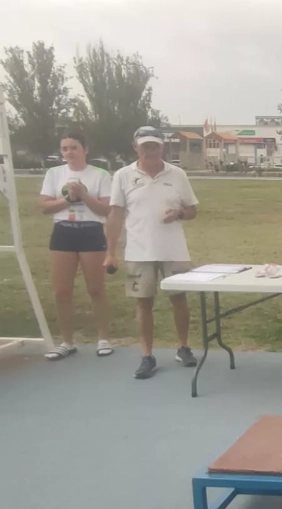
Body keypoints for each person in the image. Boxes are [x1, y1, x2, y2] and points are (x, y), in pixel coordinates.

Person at [104, 126, 200, 380]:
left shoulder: (177, 174)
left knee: (179, 299)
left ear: (162, 147)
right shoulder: (123, 176)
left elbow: (192, 210)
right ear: (135, 148)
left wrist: (179, 213)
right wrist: (110, 252)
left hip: (174, 249)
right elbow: (115, 215)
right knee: (143, 302)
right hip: (139, 251)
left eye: (154, 146)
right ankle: (147, 355)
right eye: (145, 146)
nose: (150, 151)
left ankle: (183, 347)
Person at [38, 132, 114, 360]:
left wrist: (83, 195)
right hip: (63, 232)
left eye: (74, 147)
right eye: (65, 148)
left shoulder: (100, 175)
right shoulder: (54, 173)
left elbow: (105, 210)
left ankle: (103, 338)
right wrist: (69, 199)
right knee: (62, 291)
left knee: (95, 289)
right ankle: (67, 342)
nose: (69, 152)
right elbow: (45, 207)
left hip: (91, 231)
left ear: (85, 149)